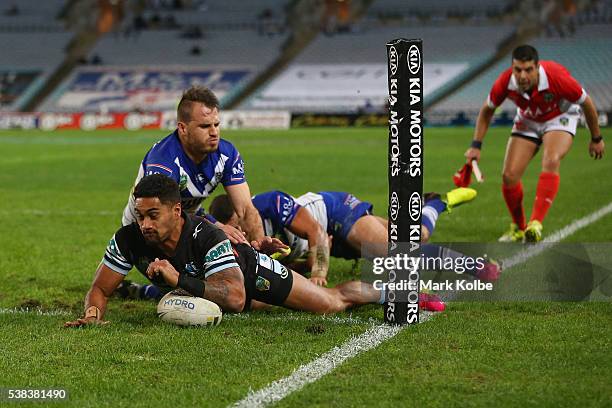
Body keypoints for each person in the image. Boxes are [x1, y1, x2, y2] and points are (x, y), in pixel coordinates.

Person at [64, 175, 443, 327]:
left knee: (330, 302)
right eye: (140, 215)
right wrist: (93, 314)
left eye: (153, 215)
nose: (144, 224)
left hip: (250, 274)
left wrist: (178, 279)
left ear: (176, 211)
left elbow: (234, 295)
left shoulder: (204, 234)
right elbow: (100, 287)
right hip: (215, 283)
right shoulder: (129, 238)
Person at [208, 187, 500, 285]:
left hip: (334, 214)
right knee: (415, 235)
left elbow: (316, 232)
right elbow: (291, 264)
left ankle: (472, 264)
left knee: (396, 251)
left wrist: (319, 271)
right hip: (329, 244)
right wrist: (306, 266)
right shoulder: (236, 239)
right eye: (235, 230)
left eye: (241, 223)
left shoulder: (270, 203)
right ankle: (434, 204)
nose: (241, 232)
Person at [465, 45, 605, 243]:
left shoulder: (557, 78)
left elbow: (587, 103)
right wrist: (476, 145)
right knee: (509, 175)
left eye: (528, 70)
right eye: (518, 70)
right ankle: (518, 228)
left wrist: (596, 138)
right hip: (528, 120)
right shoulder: (505, 82)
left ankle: (535, 224)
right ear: (512, 68)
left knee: (551, 158)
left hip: (560, 117)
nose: (522, 76)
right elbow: (487, 110)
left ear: (537, 67)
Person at [121, 86, 262, 244]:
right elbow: (162, 220)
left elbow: (246, 209)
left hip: (189, 220)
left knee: (238, 248)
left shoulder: (226, 154)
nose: (214, 132)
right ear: (182, 128)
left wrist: (260, 248)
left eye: (216, 125)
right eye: (205, 126)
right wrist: (215, 229)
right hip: (146, 234)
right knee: (219, 252)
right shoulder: (163, 163)